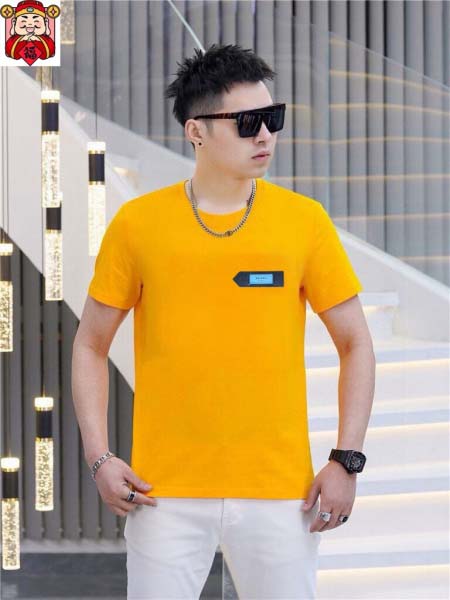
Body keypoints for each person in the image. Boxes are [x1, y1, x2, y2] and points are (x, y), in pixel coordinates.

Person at [72, 43, 375, 600]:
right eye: (247, 122)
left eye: (273, 118)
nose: (266, 135)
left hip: (281, 494)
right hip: (162, 493)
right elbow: (91, 344)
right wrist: (99, 456)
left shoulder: (303, 222)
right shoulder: (138, 225)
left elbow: (356, 342)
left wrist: (346, 460)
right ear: (197, 131)